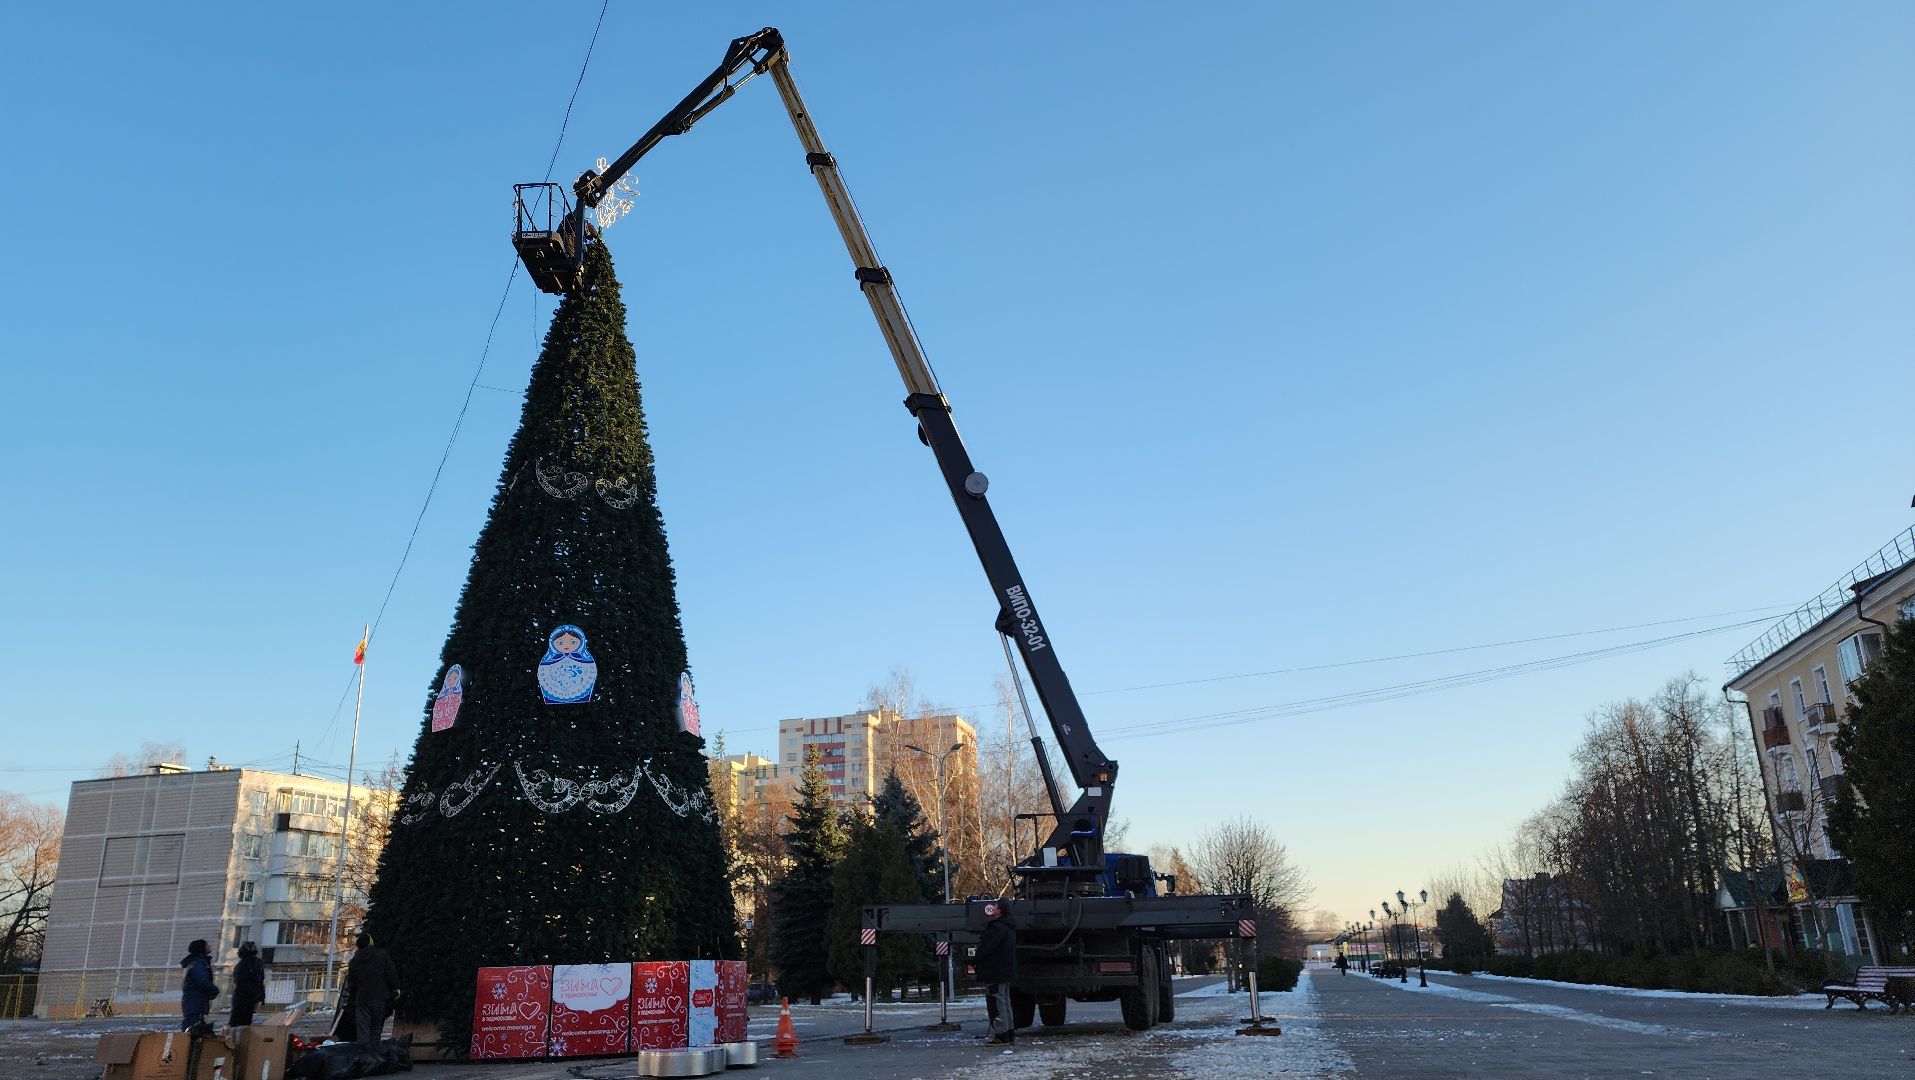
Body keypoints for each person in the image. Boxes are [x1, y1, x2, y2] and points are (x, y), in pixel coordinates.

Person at [344, 931, 402, 1048]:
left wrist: (352, 1000)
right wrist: (396, 989)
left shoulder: (354, 961)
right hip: (380, 999)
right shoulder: (382, 955)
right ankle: (375, 1058)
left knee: (363, 1032)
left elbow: (351, 984)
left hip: (362, 1001)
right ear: (371, 942)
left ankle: (365, 1060)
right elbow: (391, 974)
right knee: (376, 1030)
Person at [974, 902, 1018, 1046]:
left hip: (995, 971)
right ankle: (1009, 1032)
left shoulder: (997, 928)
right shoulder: (1009, 928)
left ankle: (1001, 1034)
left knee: (997, 1001)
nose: (993, 908)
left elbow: (986, 948)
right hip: (1005, 970)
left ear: (1000, 911)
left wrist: (975, 959)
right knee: (1005, 1000)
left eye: (996, 907)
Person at [179, 939, 219, 1032]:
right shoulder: (198, 963)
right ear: (201, 948)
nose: (209, 946)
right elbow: (202, 981)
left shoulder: (197, 962)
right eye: (207, 945)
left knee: (194, 1028)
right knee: (192, 1030)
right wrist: (214, 990)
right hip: (195, 1002)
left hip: (195, 1001)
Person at [229, 941, 266, 1026]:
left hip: (251, 998)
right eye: (253, 946)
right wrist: (257, 993)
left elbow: (260, 981)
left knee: (246, 1022)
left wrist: (261, 996)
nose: (255, 948)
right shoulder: (243, 964)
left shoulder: (257, 962)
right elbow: (241, 982)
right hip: (242, 997)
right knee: (238, 1022)